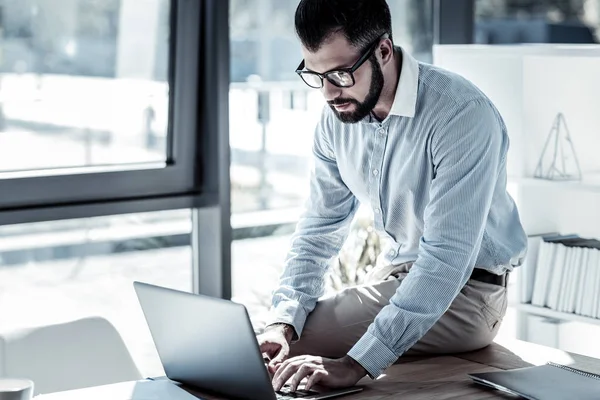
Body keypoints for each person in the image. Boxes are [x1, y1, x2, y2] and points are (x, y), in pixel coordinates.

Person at [257, 0, 528, 393]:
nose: (329, 93)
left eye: (340, 74)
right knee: (272, 342)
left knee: (257, 352)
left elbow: (446, 260)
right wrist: (282, 320)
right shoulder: (337, 122)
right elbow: (319, 229)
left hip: (468, 296)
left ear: (383, 50)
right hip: (395, 280)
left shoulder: (461, 114)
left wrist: (356, 365)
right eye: (315, 75)